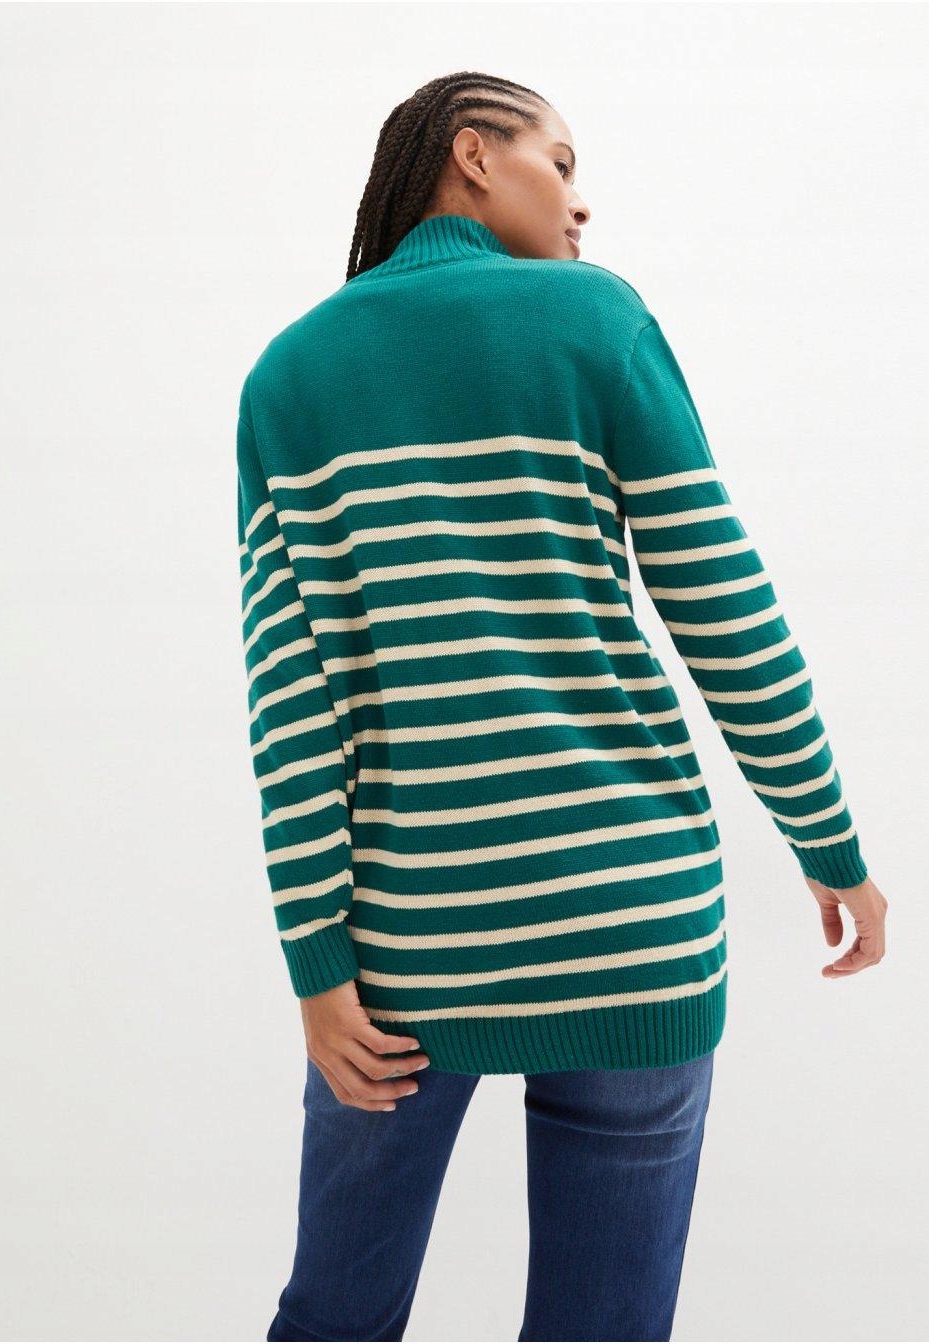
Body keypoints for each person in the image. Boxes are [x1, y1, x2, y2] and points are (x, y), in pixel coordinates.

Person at [235, 71, 888, 1342]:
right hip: (633, 922)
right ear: (473, 155)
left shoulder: (288, 378)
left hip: (407, 946)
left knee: (333, 1318)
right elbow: (727, 616)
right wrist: (832, 847)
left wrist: (318, 962)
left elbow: (292, 709)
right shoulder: (597, 322)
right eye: (563, 162)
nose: (583, 205)